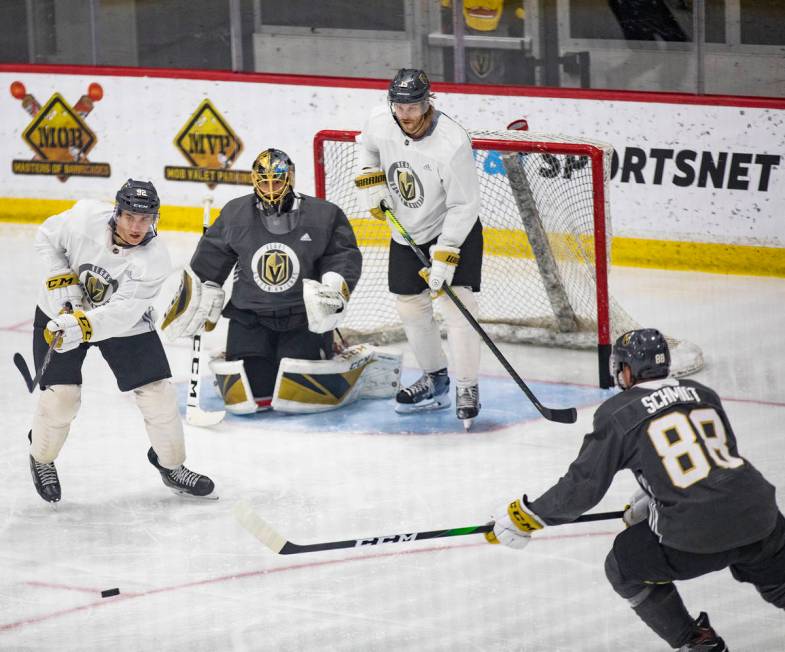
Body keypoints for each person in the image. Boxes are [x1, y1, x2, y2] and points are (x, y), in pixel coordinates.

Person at [487, 328, 784, 650]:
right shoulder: (702, 393)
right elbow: (717, 463)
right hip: (760, 515)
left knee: (622, 566)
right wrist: (655, 497)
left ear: (626, 370)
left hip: (696, 532)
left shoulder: (618, 413)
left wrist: (527, 516)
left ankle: (697, 643)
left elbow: (584, 487)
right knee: (779, 581)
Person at [28, 179, 215, 503]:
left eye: (145, 219)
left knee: (158, 393)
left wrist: (82, 325)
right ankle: (41, 458)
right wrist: (64, 287)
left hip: (117, 323)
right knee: (62, 399)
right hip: (58, 314)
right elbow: (46, 236)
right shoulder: (84, 216)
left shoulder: (153, 259)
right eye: (130, 216)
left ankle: (171, 466)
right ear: (117, 212)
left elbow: (122, 312)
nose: (136, 226)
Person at [161, 148, 363, 414]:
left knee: (297, 390)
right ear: (254, 181)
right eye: (264, 182)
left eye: (277, 181)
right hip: (250, 317)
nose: (270, 188)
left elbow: (342, 254)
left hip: (302, 319)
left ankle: (330, 346)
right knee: (253, 394)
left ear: (289, 179)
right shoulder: (236, 214)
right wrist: (199, 294)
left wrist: (335, 284)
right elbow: (210, 260)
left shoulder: (323, 215)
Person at [354, 68, 484, 429]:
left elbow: (464, 206)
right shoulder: (381, 120)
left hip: (453, 230)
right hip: (406, 229)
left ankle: (466, 387)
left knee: (458, 308)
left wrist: (445, 257)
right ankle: (436, 378)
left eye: (413, 106)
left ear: (428, 102)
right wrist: (372, 183)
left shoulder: (452, 142)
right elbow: (365, 146)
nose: (405, 114)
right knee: (410, 307)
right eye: (399, 105)